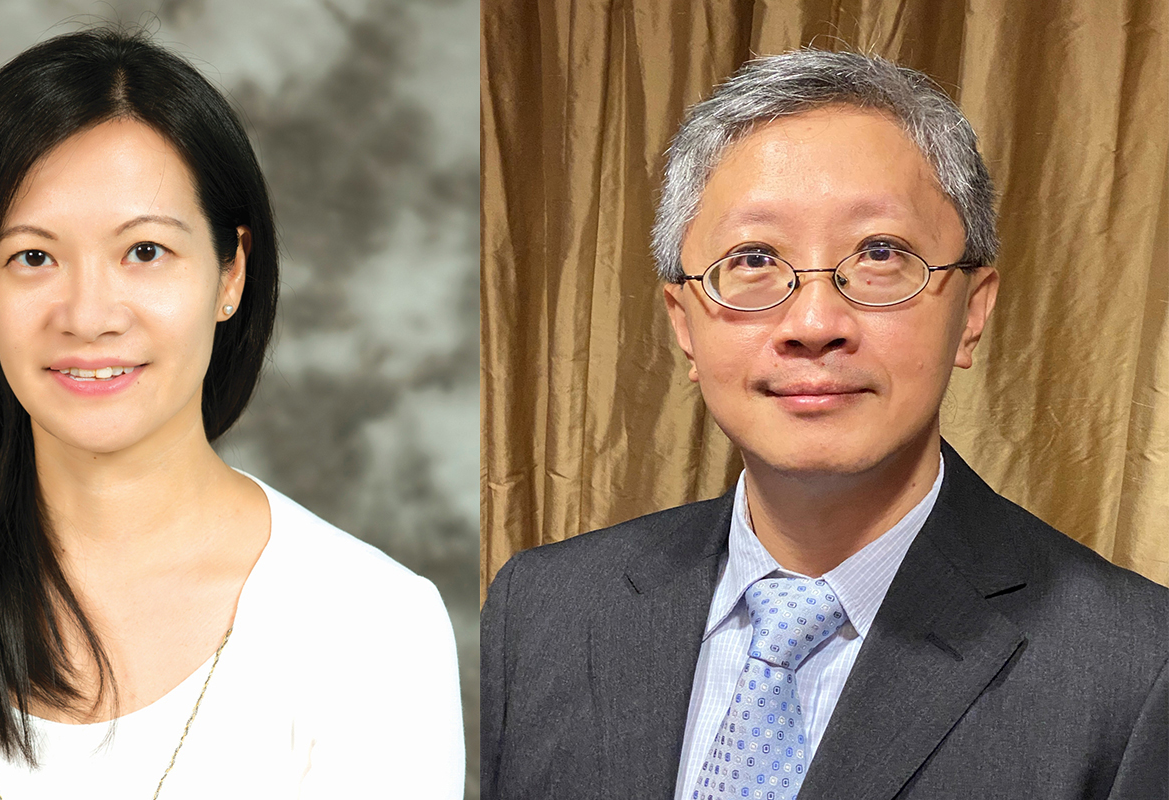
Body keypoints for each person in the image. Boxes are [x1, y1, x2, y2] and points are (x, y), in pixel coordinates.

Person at [0, 28, 463, 799]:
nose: (88, 315)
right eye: (34, 257)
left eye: (145, 252)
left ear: (232, 272)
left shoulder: (372, 626)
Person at [481, 49, 1167, 800]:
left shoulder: (1133, 668)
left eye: (880, 253)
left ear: (972, 313)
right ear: (683, 325)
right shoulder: (541, 610)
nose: (813, 323)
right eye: (753, 258)